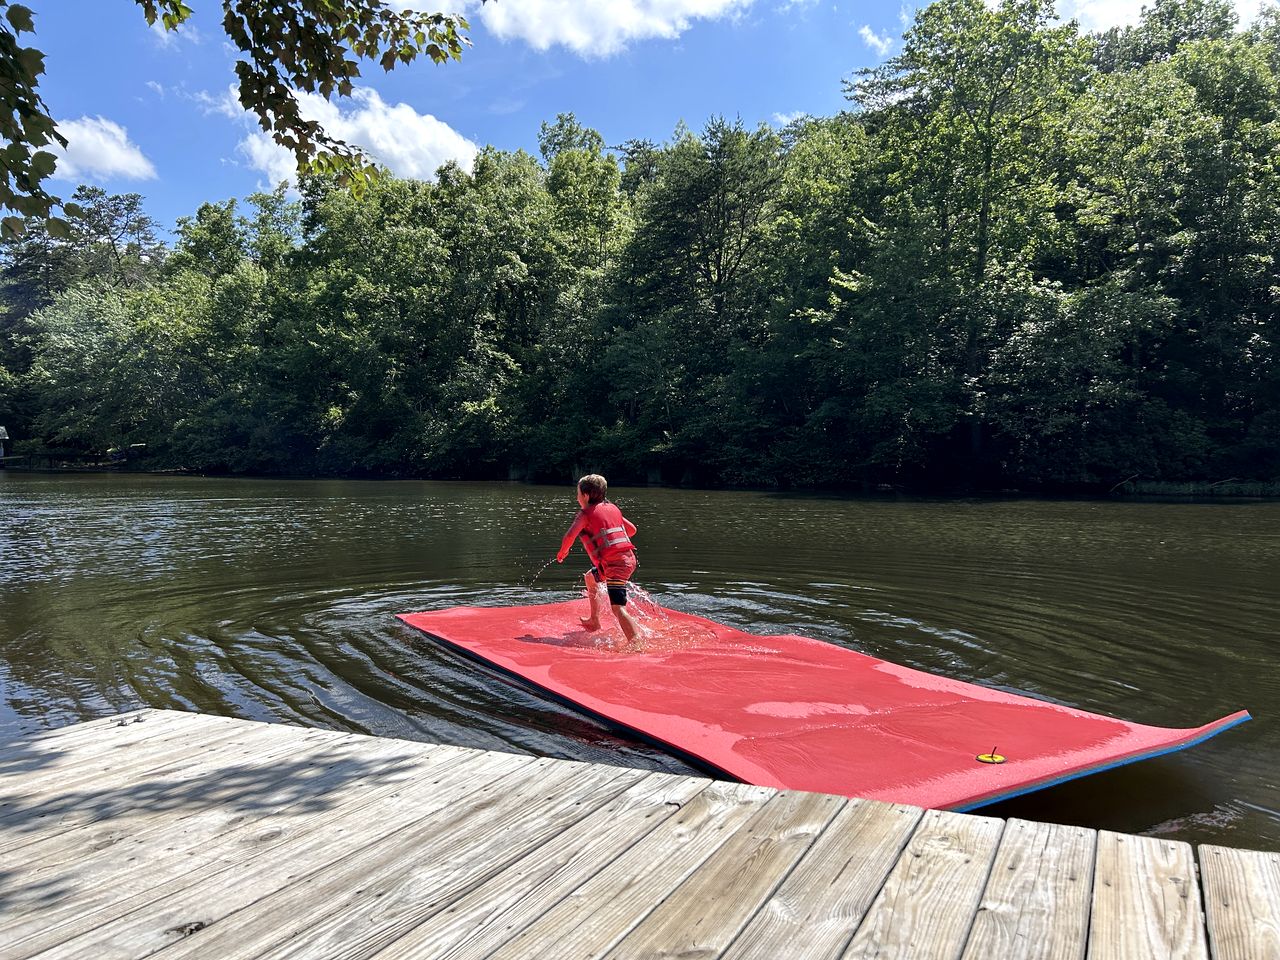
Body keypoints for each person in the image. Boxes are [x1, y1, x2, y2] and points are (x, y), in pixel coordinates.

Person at [556, 474, 641, 645]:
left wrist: (563, 552)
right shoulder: (612, 508)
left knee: (618, 608)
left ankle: (636, 641)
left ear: (586, 495)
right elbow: (631, 530)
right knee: (590, 578)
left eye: (578, 493)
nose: (577, 497)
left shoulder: (585, 514)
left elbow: (570, 535)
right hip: (624, 560)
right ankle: (594, 620)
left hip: (615, 565)